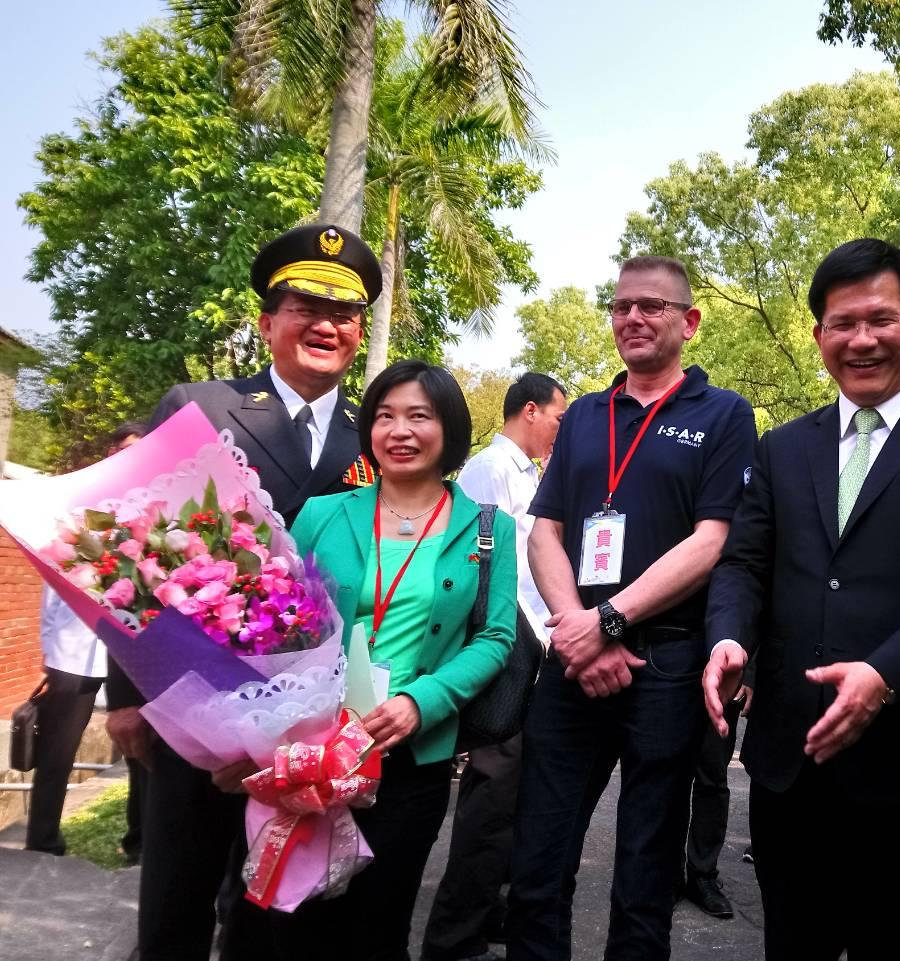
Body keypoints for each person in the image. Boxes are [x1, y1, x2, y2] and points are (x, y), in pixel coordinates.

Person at [703, 238, 900, 960]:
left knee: (895, 944)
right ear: (817, 335)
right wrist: (728, 637)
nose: (862, 339)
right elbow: (742, 563)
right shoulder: (779, 447)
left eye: (881, 318)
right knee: (791, 941)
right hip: (791, 758)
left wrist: (883, 675)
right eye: (842, 323)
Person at [105, 222, 380, 961]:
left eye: (344, 314)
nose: (325, 324)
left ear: (358, 333)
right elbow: (129, 552)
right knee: (175, 901)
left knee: (275, 907)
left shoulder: (376, 438)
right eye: (302, 306)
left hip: (306, 724)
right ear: (266, 321)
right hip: (193, 703)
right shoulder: (200, 407)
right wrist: (123, 693)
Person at [508, 255, 757, 961]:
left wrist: (609, 619)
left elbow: (713, 538)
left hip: (665, 662)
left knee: (644, 875)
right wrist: (578, 630)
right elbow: (546, 529)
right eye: (620, 306)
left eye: (651, 305)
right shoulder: (585, 413)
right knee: (537, 866)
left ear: (690, 321)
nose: (632, 319)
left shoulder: (724, 413)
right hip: (574, 659)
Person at [223, 359, 514, 960]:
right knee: (294, 921)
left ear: (449, 429)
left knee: (377, 927)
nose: (399, 431)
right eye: (384, 416)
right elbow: (273, 620)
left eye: (418, 416)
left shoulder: (489, 530)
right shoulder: (324, 514)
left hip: (407, 757)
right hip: (309, 748)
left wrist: (421, 702)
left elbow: (496, 638)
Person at [422, 370, 566, 961]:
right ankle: (453, 935)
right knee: (490, 794)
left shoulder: (529, 474)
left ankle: (488, 910)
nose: (561, 429)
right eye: (558, 415)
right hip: (500, 647)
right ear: (530, 410)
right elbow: (481, 573)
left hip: (529, 644)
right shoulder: (489, 469)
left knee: (511, 794)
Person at [25, 422, 144, 857]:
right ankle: (42, 840)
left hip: (131, 650)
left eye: (137, 450)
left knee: (138, 748)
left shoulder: (155, 512)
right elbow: (51, 581)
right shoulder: (79, 508)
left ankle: (138, 841)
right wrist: (48, 646)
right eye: (121, 450)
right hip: (75, 649)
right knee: (56, 749)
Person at [679, 668, 750, 919]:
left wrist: (750, 675)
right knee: (668, 776)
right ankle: (667, 872)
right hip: (671, 669)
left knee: (713, 776)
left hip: (727, 676)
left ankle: (702, 876)